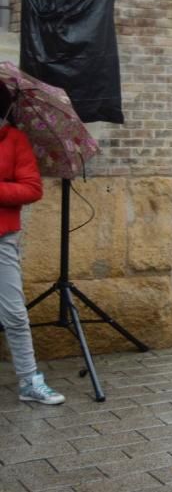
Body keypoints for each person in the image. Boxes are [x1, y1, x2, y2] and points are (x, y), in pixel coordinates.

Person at [0, 85, 63, 406]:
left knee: (13, 313)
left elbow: (31, 189)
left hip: (2, 239)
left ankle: (29, 381)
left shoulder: (14, 141)